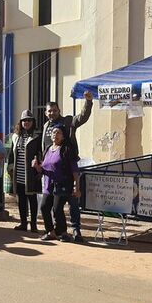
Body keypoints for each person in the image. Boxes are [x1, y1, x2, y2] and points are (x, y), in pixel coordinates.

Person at [42, 91, 93, 242]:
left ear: (59, 111)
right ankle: (56, 231)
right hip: (50, 175)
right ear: (46, 113)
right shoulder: (46, 126)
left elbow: (82, 117)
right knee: (50, 206)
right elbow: (44, 148)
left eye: (55, 110)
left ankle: (76, 232)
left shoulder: (68, 122)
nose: (52, 113)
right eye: (49, 111)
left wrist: (88, 102)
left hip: (68, 170)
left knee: (72, 204)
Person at [33, 123, 80, 242]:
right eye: (54, 132)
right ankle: (51, 231)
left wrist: (76, 187)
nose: (55, 135)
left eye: (58, 132)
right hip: (48, 185)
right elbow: (44, 169)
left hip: (62, 184)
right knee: (44, 207)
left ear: (63, 136)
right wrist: (37, 166)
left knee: (57, 208)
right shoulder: (48, 149)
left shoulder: (66, 149)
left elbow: (75, 170)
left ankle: (63, 232)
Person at [8, 110, 42, 232]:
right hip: (19, 175)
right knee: (21, 200)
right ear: (21, 122)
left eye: (29, 120)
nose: (26, 122)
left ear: (33, 122)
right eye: (24, 120)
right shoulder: (16, 136)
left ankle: (33, 224)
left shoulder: (37, 136)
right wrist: (11, 169)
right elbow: (11, 155)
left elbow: (40, 153)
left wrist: (39, 168)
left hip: (31, 174)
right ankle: (23, 223)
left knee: (32, 200)